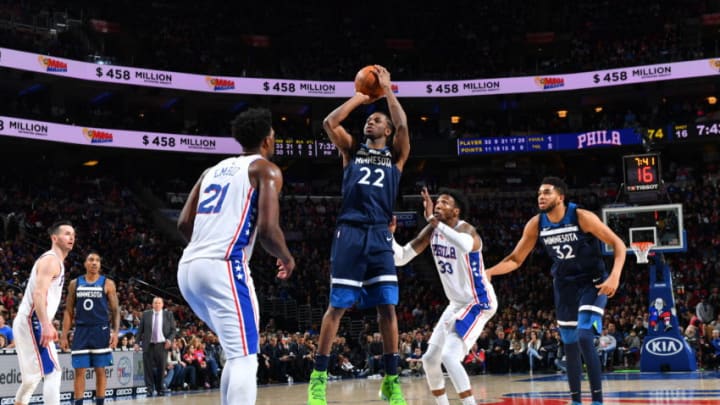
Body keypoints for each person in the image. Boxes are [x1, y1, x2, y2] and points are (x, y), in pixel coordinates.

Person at [177, 107, 296, 405]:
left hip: (189, 267)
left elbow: (182, 224)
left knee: (236, 350)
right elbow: (269, 230)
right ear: (268, 140)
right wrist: (287, 257)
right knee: (246, 356)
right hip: (223, 265)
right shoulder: (265, 169)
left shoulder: (210, 171)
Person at [307, 65, 410, 405]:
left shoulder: (396, 156)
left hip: (379, 233)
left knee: (387, 308)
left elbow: (404, 125)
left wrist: (388, 90)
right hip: (350, 231)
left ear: (389, 129)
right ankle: (318, 379)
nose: (371, 121)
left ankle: (391, 381)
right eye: (370, 119)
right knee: (336, 308)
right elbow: (328, 123)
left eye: (378, 119)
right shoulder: (351, 148)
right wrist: (360, 97)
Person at [486, 176, 626, 405]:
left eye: (547, 192)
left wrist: (615, 276)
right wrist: (490, 271)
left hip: (592, 281)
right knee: (569, 340)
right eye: (539, 193)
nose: (541, 196)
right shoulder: (536, 224)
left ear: (560, 197)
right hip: (564, 285)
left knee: (583, 335)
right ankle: (576, 401)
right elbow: (515, 259)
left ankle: (598, 400)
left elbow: (618, 244)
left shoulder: (582, 217)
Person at [390, 187, 496, 404]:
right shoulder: (432, 230)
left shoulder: (467, 230)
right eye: (436, 202)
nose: (438, 205)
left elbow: (465, 245)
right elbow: (400, 258)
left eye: (444, 203)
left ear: (456, 211)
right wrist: (389, 236)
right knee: (429, 360)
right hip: (457, 304)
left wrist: (432, 220)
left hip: (479, 302)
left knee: (449, 356)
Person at [13, 220, 75, 405]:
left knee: (31, 379)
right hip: (33, 321)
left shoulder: (55, 261)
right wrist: (45, 324)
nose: (71, 237)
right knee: (53, 373)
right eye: (66, 233)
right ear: (54, 238)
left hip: (30, 321)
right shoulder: (51, 260)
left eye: (73, 234)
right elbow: (38, 293)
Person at [60, 251, 120, 405]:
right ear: (85, 263)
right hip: (81, 330)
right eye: (91, 260)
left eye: (97, 261)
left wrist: (115, 332)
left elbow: (115, 311)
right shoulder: (75, 283)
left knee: (100, 370)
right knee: (79, 371)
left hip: (101, 330)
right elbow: (68, 310)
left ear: (100, 265)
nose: (94, 263)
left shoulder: (107, 283)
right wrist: (64, 335)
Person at [135, 297, 176, 396]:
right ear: (152, 304)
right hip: (148, 344)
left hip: (162, 345)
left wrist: (169, 340)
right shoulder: (146, 314)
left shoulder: (168, 314)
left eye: (159, 303)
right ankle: (149, 389)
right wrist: (136, 343)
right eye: (155, 303)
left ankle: (160, 388)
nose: (157, 305)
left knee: (161, 368)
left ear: (162, 305)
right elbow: (140, 330)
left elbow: (173, 330)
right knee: (147, 368)